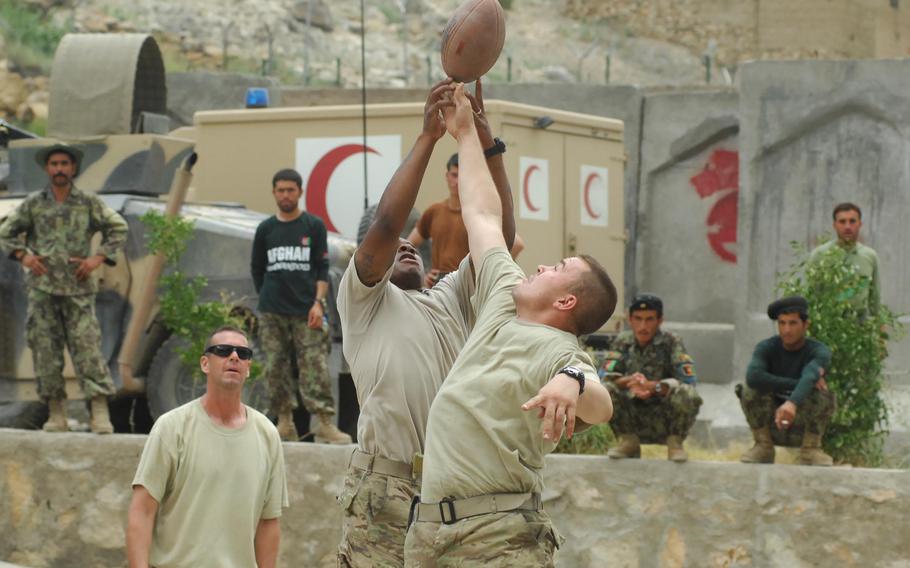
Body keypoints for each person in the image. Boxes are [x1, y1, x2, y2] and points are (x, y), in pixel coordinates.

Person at [404, 83, 617, 567]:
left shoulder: (557, 349)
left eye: (557, 267)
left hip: (498, 536)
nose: (541, 266)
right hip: (430, 531)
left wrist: (574, 379)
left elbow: (602, 408)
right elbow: (483, 214)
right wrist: (466, 134)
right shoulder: (503, 298)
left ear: (565, 300)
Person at [336, 77, 516, 567]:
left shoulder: (452, 297)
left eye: (412, 245)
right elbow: (389, 226)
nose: (406, 245)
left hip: (454, 486)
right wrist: (428, 138)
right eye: (393, 249)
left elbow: (497, 236)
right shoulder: (364, 302)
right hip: (386, 488)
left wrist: (484, 145)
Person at [126, 325, 289, 568]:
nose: (234, 357)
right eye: (223, 350)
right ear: (205, 363)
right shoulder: (171, 428)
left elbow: (269, 523)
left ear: (248, 369)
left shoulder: (267, 435)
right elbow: (142, 512)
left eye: (243, 354)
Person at [0, 143, 127, 434]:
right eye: (54, 164)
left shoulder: (87, 202)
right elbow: (6, 231)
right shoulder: (34, 203)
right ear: (48, 168)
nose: (59, 169)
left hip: (78, 289)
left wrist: (98, 258)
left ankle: (98, 411)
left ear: (73, 168)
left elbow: (117, 228)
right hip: (43, 290)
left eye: (64, 164)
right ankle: (56, 413)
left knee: (88, 350)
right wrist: (24, 256)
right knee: (46, 351)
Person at [250, 168, 351, 444]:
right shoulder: (266, 230)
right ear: (274, 193)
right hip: (272, 311)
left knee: (315, 366)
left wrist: (318, 303)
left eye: (290, 190)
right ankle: (284, 421)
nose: (285, 195)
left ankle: (325, 423)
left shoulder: (313, 226)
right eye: (280, 190)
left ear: (300, 192)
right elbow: (257, 269)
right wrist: (267, 297)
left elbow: (322, 268)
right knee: (274, 366)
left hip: (307, 309)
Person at [600, 293, 702, 462]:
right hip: (632, 411)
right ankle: (628, 442)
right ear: (629, 319)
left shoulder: (671, 341)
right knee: (604, 391)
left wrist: (653, 386)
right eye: (638, 319)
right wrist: (631, 382)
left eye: (649, 319)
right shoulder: (622, 341)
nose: (643, 326)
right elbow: (606, 377)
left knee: (689, 394)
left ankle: (675, 444)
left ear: (660, 320)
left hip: (663, 411)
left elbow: (688, 381)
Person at [737, 296, 836, 466]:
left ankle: (811, 450)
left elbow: (811, 373)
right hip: (771, 419)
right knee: (748, 390)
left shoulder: (819, 351)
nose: (786, 330)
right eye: (782, 323)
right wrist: (799, 384)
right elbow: (753, 376)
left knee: (824, 394)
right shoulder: (766, 348)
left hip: (802, 422)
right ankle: (763, 447)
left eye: (792, 323)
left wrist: (792, 402)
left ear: (805, 325)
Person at [407, 154, 524, 288]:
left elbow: (516, 245)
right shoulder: (434, 211)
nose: (457, 181)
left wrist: (486, 277)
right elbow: (408, 244)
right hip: (438, 286)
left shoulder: (480, 212)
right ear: (447, 176)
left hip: (466, 286)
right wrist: (422, 274)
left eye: (462, 176)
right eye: (454, 175)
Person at [809, 202, 880, 318]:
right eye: (842, 222)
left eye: (852, 221)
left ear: (860, 224)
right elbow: (811, 294)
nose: (847, 226)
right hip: (827, 326)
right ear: (835, 225)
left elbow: (875, 296)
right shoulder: (820, 255)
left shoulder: (870, 256)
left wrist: (879, 327)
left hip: (860, 328)